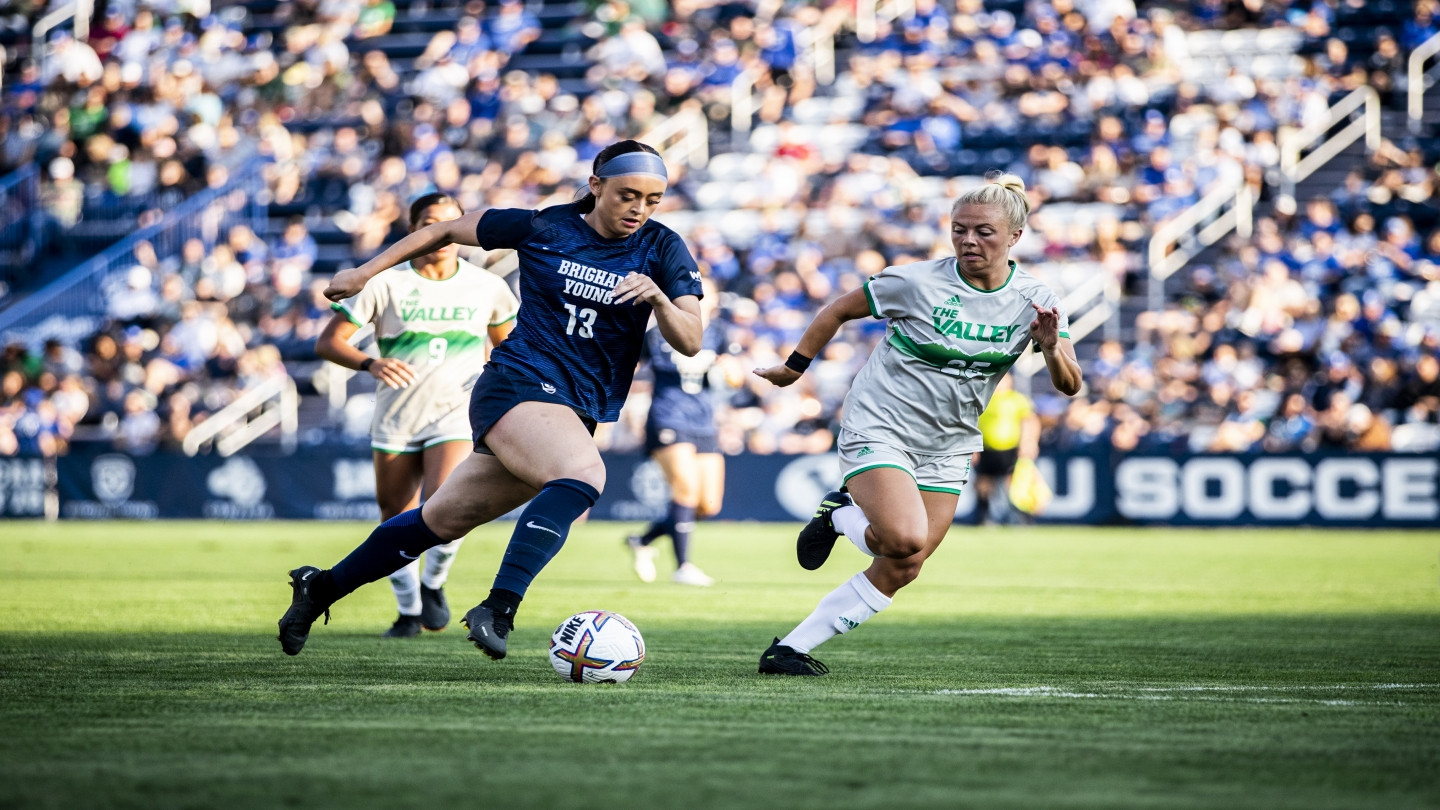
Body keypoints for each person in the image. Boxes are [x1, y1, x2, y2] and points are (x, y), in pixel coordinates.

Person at [278, 140, 704, 660]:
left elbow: (691, 340)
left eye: (653, 199)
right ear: (596, 186)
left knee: (441, 521)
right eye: (628, 195)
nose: (639, 209)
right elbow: (443, 230)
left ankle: (319, 589)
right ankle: (498, 607)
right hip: (517, 382)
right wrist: (365, 273)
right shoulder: (545, 226)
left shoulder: (662, 247)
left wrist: (659, 297)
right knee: (584, 476)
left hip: (574, 405)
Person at [751, 173, 1082, 676]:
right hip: (880, 425)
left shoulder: (1036, 299)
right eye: (959, 229)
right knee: (904, 537)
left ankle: (790, 648)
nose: (969, 240)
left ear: (1015, 237)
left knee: (906, 562)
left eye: (984, 232)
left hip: (948, 442)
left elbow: (1070, 385)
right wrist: (794, 368)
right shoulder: (916, 281)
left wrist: (1051, 344)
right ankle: (841, 515)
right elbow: (838, 309)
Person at [315, 192, 519, 638]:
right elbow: (328, 342)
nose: (442, 232)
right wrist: (370, 363)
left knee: (446, 502)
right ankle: (408, 612)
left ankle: (434, 584)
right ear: (414, 231)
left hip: (456, 412)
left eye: (451, 223)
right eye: (430, 222)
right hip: (397, 415)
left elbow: (509, 349)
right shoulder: (385, 283)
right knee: (394, 516)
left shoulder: (488, 287)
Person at [626, 278, 738, 587]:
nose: (703, 302)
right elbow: (629, 368)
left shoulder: (719, 333)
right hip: (668, 416)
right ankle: (683, 566)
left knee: (707, 505)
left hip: (704, 421)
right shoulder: (656, 333)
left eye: (708, 297)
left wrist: (732, 373)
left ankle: (643, 539)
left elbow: (735, 377)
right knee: (685, 490)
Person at [971, 375, 1040, 525]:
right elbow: (973, 422)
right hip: (986, 448)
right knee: (984, 482)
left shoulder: (1017, 399)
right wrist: (972, 447)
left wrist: (1029, 442)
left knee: (1014, 483)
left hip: (1011, 448)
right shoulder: (983, 398)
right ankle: (985, 516)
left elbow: (1029, 421)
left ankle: (1018, 517)